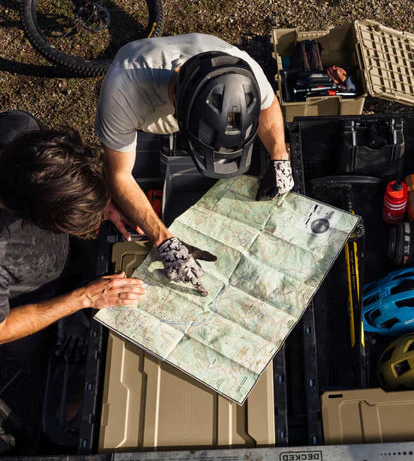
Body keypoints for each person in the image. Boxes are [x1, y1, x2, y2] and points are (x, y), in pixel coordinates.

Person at [95, 33, 295, 296]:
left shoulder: (242, 75)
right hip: (140, 90)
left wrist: (280, 157)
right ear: (178, 116)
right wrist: (163, 241)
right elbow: (119, 175)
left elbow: (268, 107)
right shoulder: (122, 94)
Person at [0, 110, 146, 347]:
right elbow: (2, 330)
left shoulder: (19, 129)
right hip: (28, 303)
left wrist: (93, 199)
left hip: (65, 259)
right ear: (35, 219)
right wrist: (84, 297)